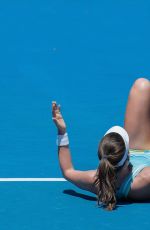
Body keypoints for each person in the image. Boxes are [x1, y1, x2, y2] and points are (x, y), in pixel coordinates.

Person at [52, 78, 150, 211]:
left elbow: (68, 171)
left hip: (137, 152)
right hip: (142, 151)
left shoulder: (97, 181)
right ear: (127, 155)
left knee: (141, 85)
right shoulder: (144, 179)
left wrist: (62, 131)